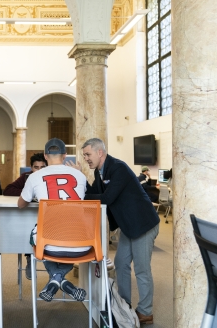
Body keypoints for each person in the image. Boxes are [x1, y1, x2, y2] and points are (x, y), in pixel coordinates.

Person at [74, 138, 160, 325]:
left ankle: (146, 312)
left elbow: (106, 198)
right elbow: (93, 193)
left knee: (142, 269)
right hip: (129, 225)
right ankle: (125, 304)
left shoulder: (118, 168)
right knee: (121, 263)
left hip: (143, 224)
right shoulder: (100, 171)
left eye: (88, 154)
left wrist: (83, 196)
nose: (86, 158)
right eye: (84, 155)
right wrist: (80, 176)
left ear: (100, 153)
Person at [18, 138, 88, 303]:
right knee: (69, 248)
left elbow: (21, 205)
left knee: (37, 239)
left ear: (45, 155)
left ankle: (56, 278)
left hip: (49, 241)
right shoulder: (80, 176)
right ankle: (60, 280)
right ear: (65, 156)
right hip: (81, 242)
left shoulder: (35, 176)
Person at [3, 152, 47, 280]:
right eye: (36, 167)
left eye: (42, 167)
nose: (38, 171)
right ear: (31, 168)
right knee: (27, 226)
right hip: (29, 215)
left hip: (46, 217)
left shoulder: (50, 178)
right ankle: (29, 257)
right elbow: (8, 190)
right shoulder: (26, 177)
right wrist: (28, 193)